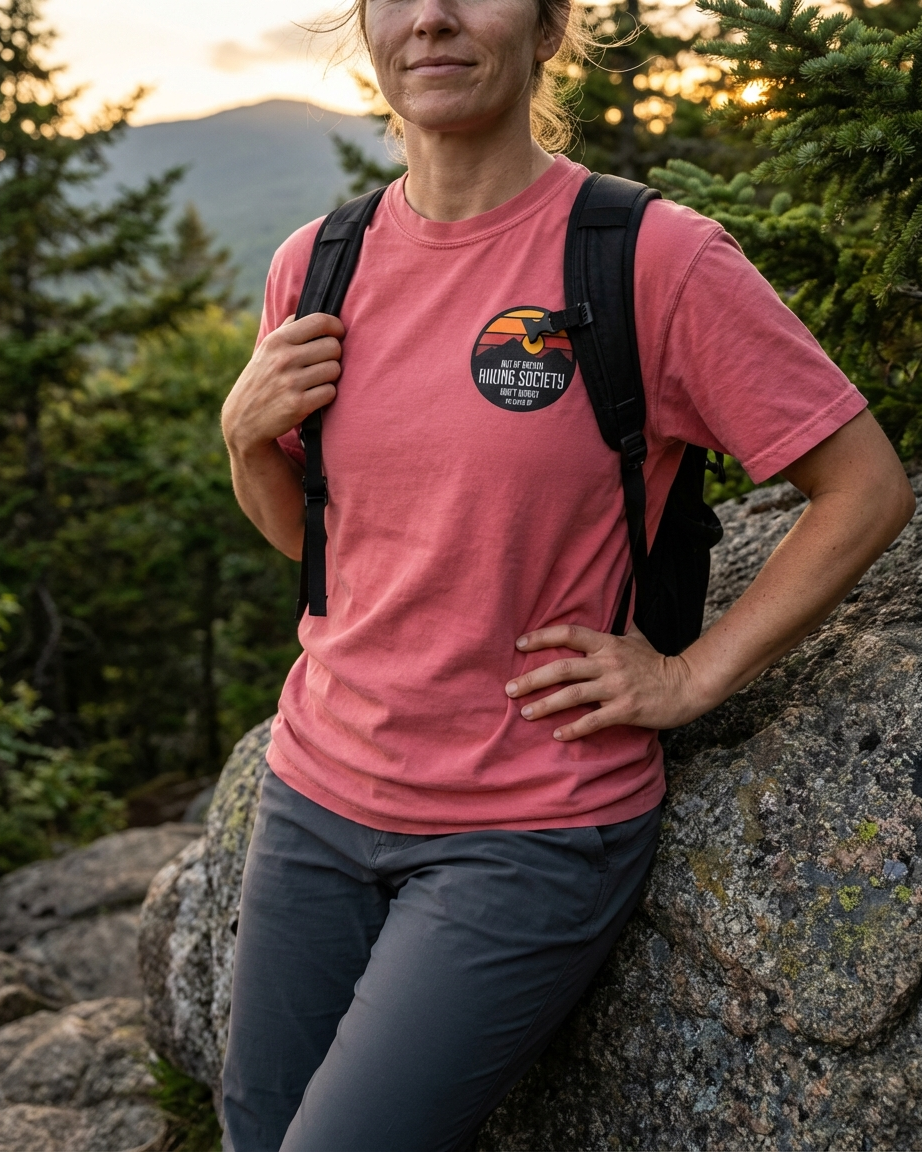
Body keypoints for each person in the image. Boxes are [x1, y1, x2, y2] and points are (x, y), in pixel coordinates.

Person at [218, 0, 916, 1145]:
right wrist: (246, 439)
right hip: (315, 795)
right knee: (255, 1130)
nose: (431, 18)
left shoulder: (650, 257)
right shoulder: (319, 263)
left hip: (527, 826)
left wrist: (691, 679)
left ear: (549, 28)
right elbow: (327, 549)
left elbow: (867, 489)